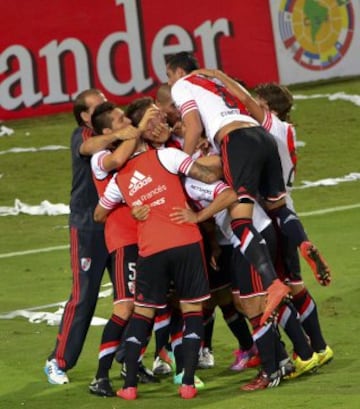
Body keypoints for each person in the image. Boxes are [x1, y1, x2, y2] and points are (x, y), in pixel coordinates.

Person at [192, 69, 334, 371]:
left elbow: (244, 103)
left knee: (264, 293)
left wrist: (218, 78)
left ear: (266, 108)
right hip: (284, 207)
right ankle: (317, 348)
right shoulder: (287, 131)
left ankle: (301, 353)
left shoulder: (263, 127)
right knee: (294, 285)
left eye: (257, 102)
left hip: (262, 215)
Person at [94, 139, 232, 400]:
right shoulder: (167, 155)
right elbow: (213, 179)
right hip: (186, 242)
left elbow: (98, 214)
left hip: (151, 249)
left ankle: (130, 386)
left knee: (142, 315)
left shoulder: (118, 180)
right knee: (192, 311)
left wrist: (131, 207)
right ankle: (188, 383)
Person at [166, 52, 291, 325]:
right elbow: (246, 100)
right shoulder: (217, 80)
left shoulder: (182, 84)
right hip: (262, 137)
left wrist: (180, 164)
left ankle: (273, 283)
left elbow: (194, 125)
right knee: (277, 207)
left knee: (239, 219)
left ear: (176, 71)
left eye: (168, 75)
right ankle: (294, 261)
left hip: (236, 140)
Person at [44, 89, 136, 385]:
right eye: (97, 105)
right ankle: (58, 361)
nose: (106, 106)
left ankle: (127, 359)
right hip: (88, 228)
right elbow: (92, 147)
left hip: (119, 226)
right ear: (86, 116)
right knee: (84, 296)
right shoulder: (82, 135)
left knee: (130, 296)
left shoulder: (120, 137)